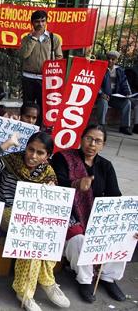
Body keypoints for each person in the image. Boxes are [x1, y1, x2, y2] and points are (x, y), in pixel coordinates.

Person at [0, 132, 70, 311]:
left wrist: (51, 194)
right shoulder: (12, 160)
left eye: (40, 153)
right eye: (30, 149)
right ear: (25, 147)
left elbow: (52, 209)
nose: (33, 156)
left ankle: (39, 284)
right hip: (4, 211)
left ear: (47, 156)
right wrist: (7, 144)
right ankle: (34, 287)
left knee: (41, 230)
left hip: (30, 219)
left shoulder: (48, 174)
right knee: (28, 229)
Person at [51, 124, 138, 303]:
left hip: (95, 216)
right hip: (68, 214)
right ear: (81, 139)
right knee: (78, 239)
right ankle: (85, 279)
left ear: (103, 145)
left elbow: (115, 197)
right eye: (89, 138)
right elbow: (56, 187)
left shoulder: (106, 166)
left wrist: (126, 222)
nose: (92, 144)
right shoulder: (63, 158)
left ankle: (108, 276)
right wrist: (76, 184)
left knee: (125, 233)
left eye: (97, 141)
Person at [19, 10, 63, 120]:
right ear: (32, 23)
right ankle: (25, 128)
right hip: (28, 77)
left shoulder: (53, 38)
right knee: (27, 106)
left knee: (43, 106)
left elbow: (59, 57)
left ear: (46, 22)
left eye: (43, 21)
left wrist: (51, 67)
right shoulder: (26, 38)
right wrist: (34, 38)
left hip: (45, 78)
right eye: (37, 21)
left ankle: (38, 129)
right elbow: (24, 55)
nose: (40, 24)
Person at [96, 50, 133, 135]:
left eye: (113, 59)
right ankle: (101, 125)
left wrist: (127, 93)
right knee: (103, 102)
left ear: (116, 60)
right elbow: (96, 84)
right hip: (103, 96)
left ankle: (124, 127)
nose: (110, 61)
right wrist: (101, 94)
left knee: (127, 102)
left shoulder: (120, 70)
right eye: (109, 59)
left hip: (115, 96)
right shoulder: (101, 68)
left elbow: (124, 83)